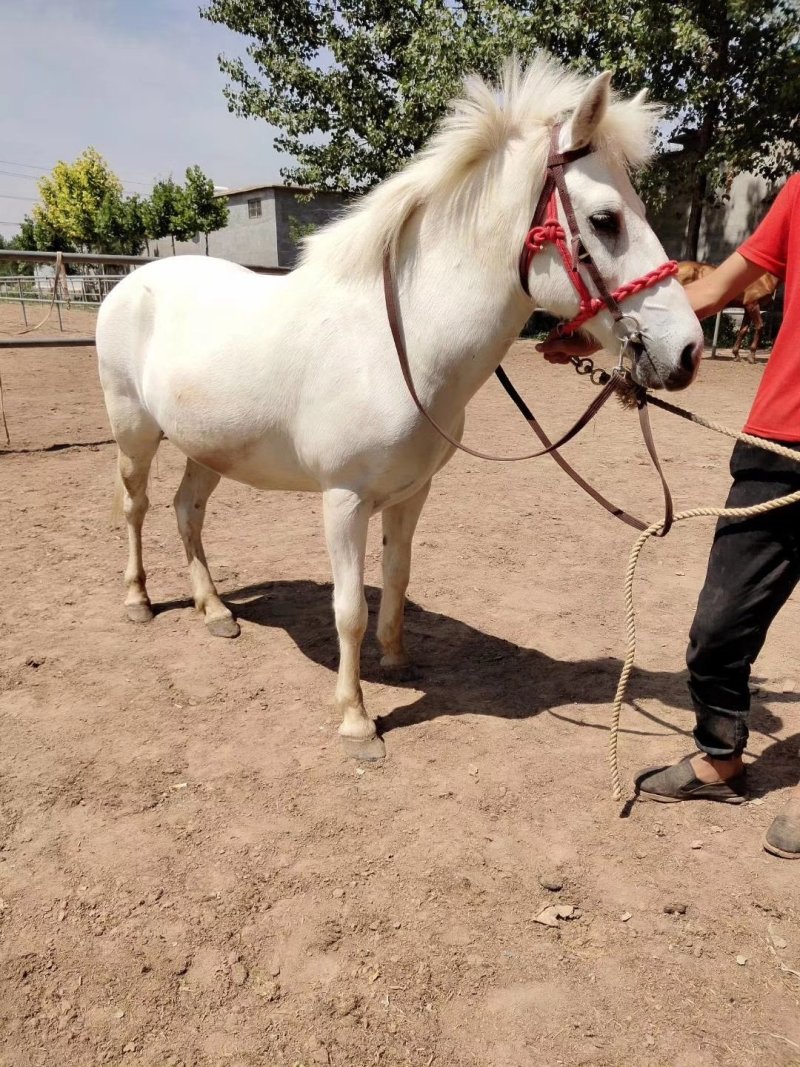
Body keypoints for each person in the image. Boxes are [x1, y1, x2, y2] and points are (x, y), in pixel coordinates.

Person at [538, 174, 800, 859]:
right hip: (776, 444)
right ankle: (720, 756)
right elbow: (712, 290)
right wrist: (597, 340)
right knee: (719, 624)